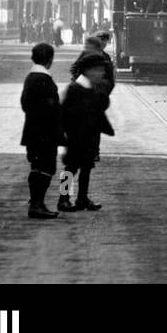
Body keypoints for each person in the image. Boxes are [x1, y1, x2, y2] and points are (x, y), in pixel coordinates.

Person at [59, 51, 113, 212]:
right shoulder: (75, 88)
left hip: (90, 136)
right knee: (71, 169)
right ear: (88, 71)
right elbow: (65, 114)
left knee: (87, 167)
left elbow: (99, 109)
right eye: (99, 70)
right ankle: (63, 199)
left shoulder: (92, 88)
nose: (102, 73)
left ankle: (82, 198)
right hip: (76, 137)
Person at [20, 42, 63, 220]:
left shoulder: (32, 77)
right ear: (49, 60)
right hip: (45, 132)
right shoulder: (43, 79)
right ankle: (42, 203)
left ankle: (37, 202)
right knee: (47, 168)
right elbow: (51, 107)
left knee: (37, 166)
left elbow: (25, 103)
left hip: (33, 131)